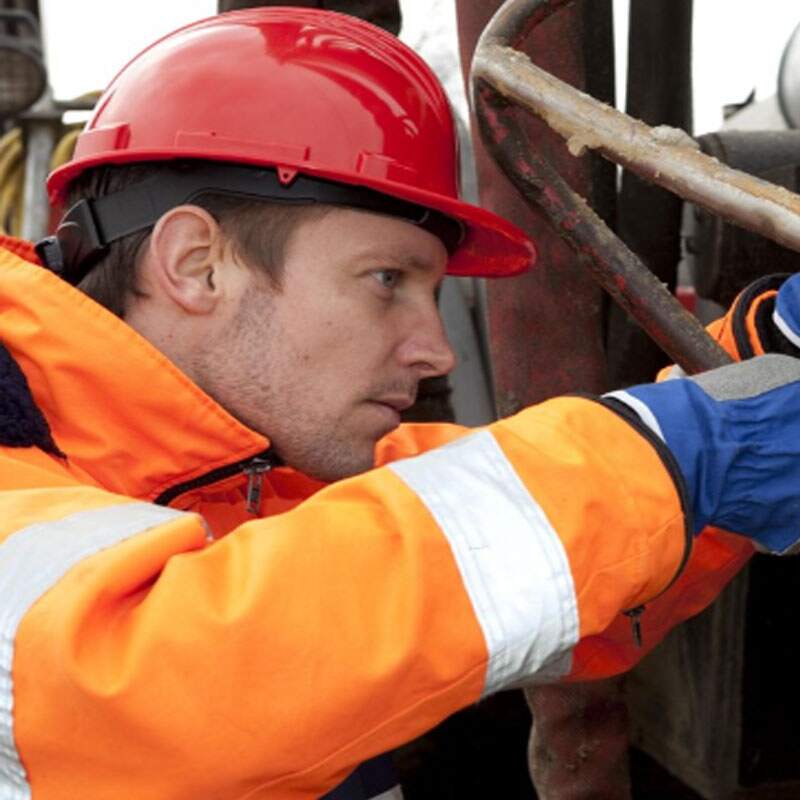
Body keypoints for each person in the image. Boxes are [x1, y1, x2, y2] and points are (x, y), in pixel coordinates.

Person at [1, 8, 800, 799]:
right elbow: (152, 689)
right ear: (197, 264)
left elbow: (546, 569)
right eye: (387, 280)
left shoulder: (253, 476)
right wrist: (672, 455)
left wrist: (761, 362)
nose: (437, 351)